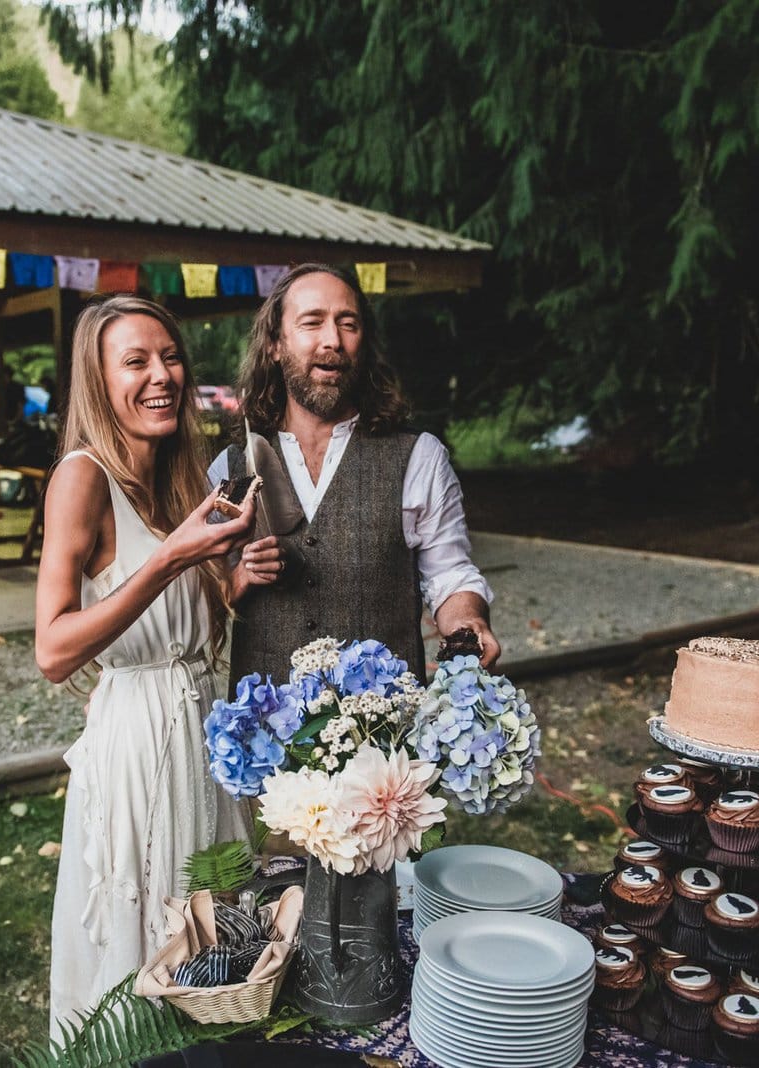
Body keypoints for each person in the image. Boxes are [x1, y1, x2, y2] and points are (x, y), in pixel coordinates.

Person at [36, 295, 269, 1039]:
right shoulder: (83, 478)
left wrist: (230, 582)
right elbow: (53, 649)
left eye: (169, 357)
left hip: (202, 731)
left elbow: (176, 627)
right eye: (135, 361)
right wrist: (171, 560)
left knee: (211, 934)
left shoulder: (178, 476)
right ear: (99, 381)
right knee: (146, 941)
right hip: (136, 741)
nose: (160, 375)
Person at [211, 263, 500, 689]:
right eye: (312, 323)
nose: (333, 341)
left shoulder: (418, 457)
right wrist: (238, 578)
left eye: (348, 324)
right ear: (274, 344)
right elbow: (199, 603)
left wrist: (468, 623)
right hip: (263, 740)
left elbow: (450, 575)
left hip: (385, 739)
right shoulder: (231, 469)